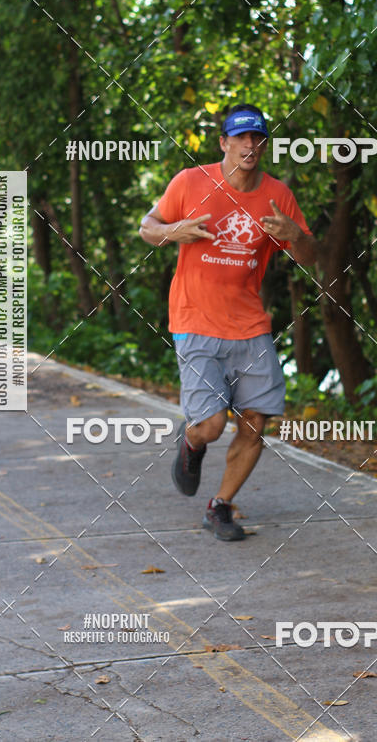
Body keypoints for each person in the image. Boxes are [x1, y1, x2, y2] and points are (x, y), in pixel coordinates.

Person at [139, 104, 318, 541]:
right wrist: (172, 230)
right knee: (213, 425)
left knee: (256, 420)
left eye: (257, 138)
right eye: (240, 137)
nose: (249, 145)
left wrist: (295, 236)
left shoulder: (278, 195)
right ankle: (193, 441)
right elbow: (147, 226)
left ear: (264, 145)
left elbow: (310, 258)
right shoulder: (190, 182)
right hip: (195, 319)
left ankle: (219, 507)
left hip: (249, 325)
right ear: (223, 143)